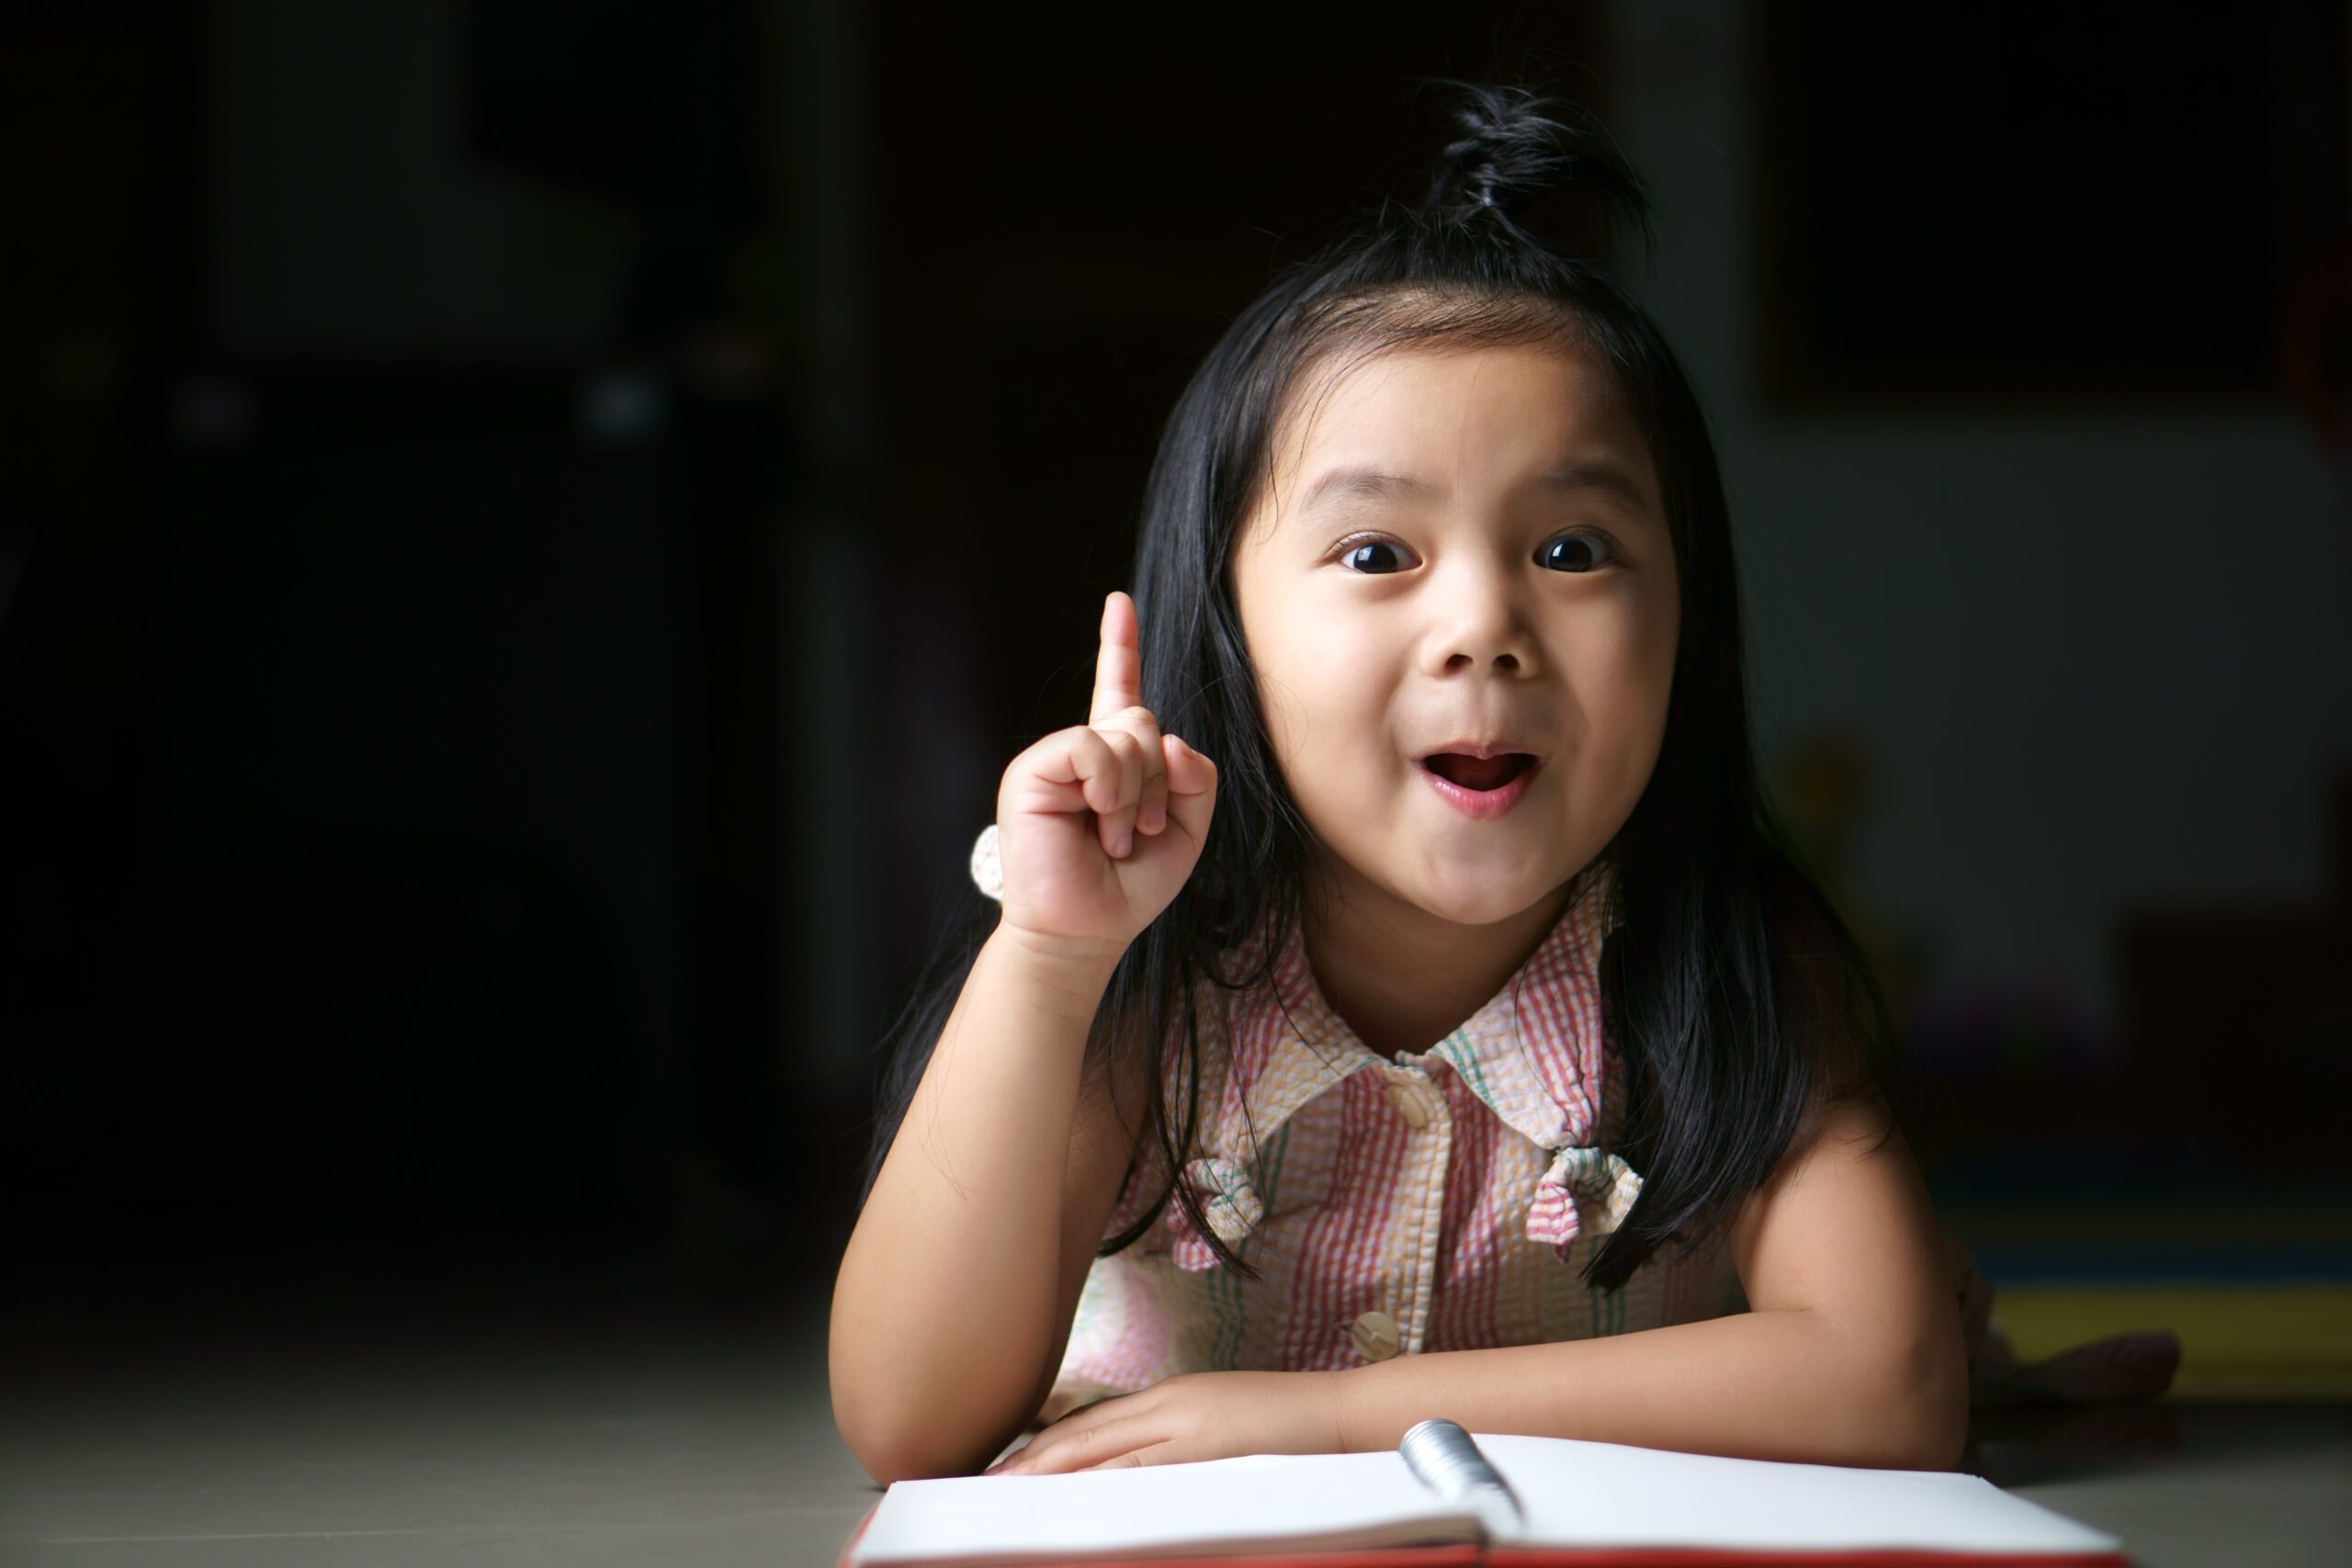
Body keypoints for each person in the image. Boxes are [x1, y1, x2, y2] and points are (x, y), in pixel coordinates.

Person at [829, 81, 2177, 1488]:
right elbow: (908, 1423)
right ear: (1225, 631)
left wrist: (1340, 1419)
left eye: (1574, 550)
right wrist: (1050, 958)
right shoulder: (1144, 977)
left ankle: (1992, 1347)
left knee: (1927, 1337)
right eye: (1375, 554)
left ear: (1688, 628)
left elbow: (1885, 1387)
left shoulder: (1726, 956)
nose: (1484, 624)